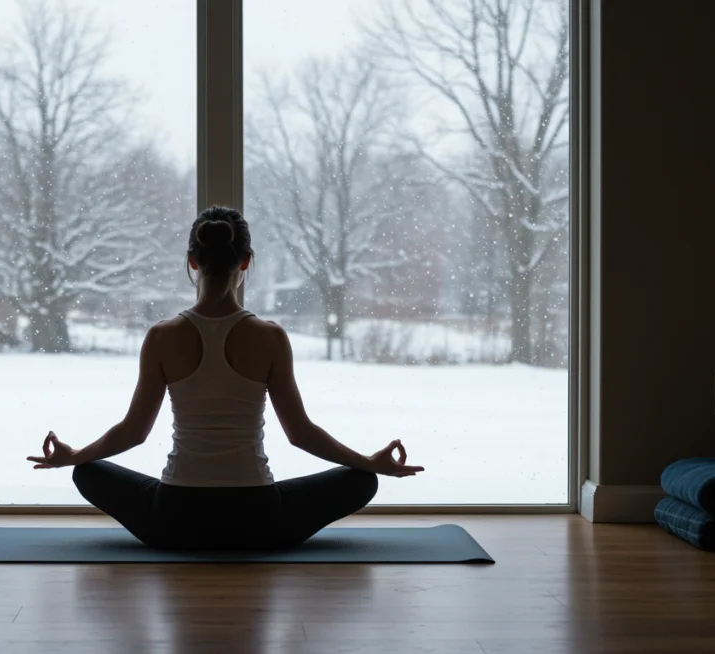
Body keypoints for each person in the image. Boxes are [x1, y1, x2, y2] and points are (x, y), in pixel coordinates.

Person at [28, 206, 424, 551]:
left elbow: (133, 432)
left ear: (193, 261)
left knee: (88, 472)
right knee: (361, 482)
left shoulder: (162, 336)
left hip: (173, 520)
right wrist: (367, 463)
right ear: (246, 261)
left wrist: (74, 457)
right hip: (260, 520)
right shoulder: (270, 337)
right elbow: (300, 433)